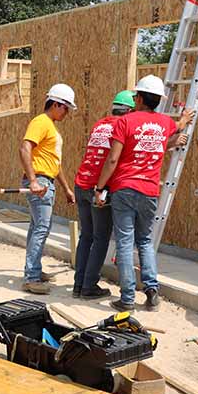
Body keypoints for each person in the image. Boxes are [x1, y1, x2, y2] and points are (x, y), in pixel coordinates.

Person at [93, 75, 193, 312]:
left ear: (138, 98)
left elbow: (113, 158)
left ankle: (127, 298)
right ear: (158, 100)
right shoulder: (164, 123)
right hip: (149, 191)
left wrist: (99, 188)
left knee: (126, 243)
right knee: (145, 241)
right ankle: (151, 291)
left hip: (124, 189)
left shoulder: (124, 122)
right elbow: (174, 131)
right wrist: (184, 120)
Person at [72, 90, 135, 299]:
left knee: (86, 236)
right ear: (129, 111)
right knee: (100, 238)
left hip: (81, 183)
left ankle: (78, 285)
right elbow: (113, 159)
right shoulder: (122, 126)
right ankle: (89, 286)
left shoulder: (100, 124)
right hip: (97, 188)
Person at [19, 83, 77, 295]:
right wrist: (34, 181)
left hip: (46, 181)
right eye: (66, 108)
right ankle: (31, 277)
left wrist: (66, 189)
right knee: (41, 228)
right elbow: (25, 147)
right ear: (55, 104)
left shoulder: (50, 126)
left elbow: (55, 163)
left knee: (37, 227)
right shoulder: (41, 122)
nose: (67, 113)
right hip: (40, 182)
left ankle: (33, 270)